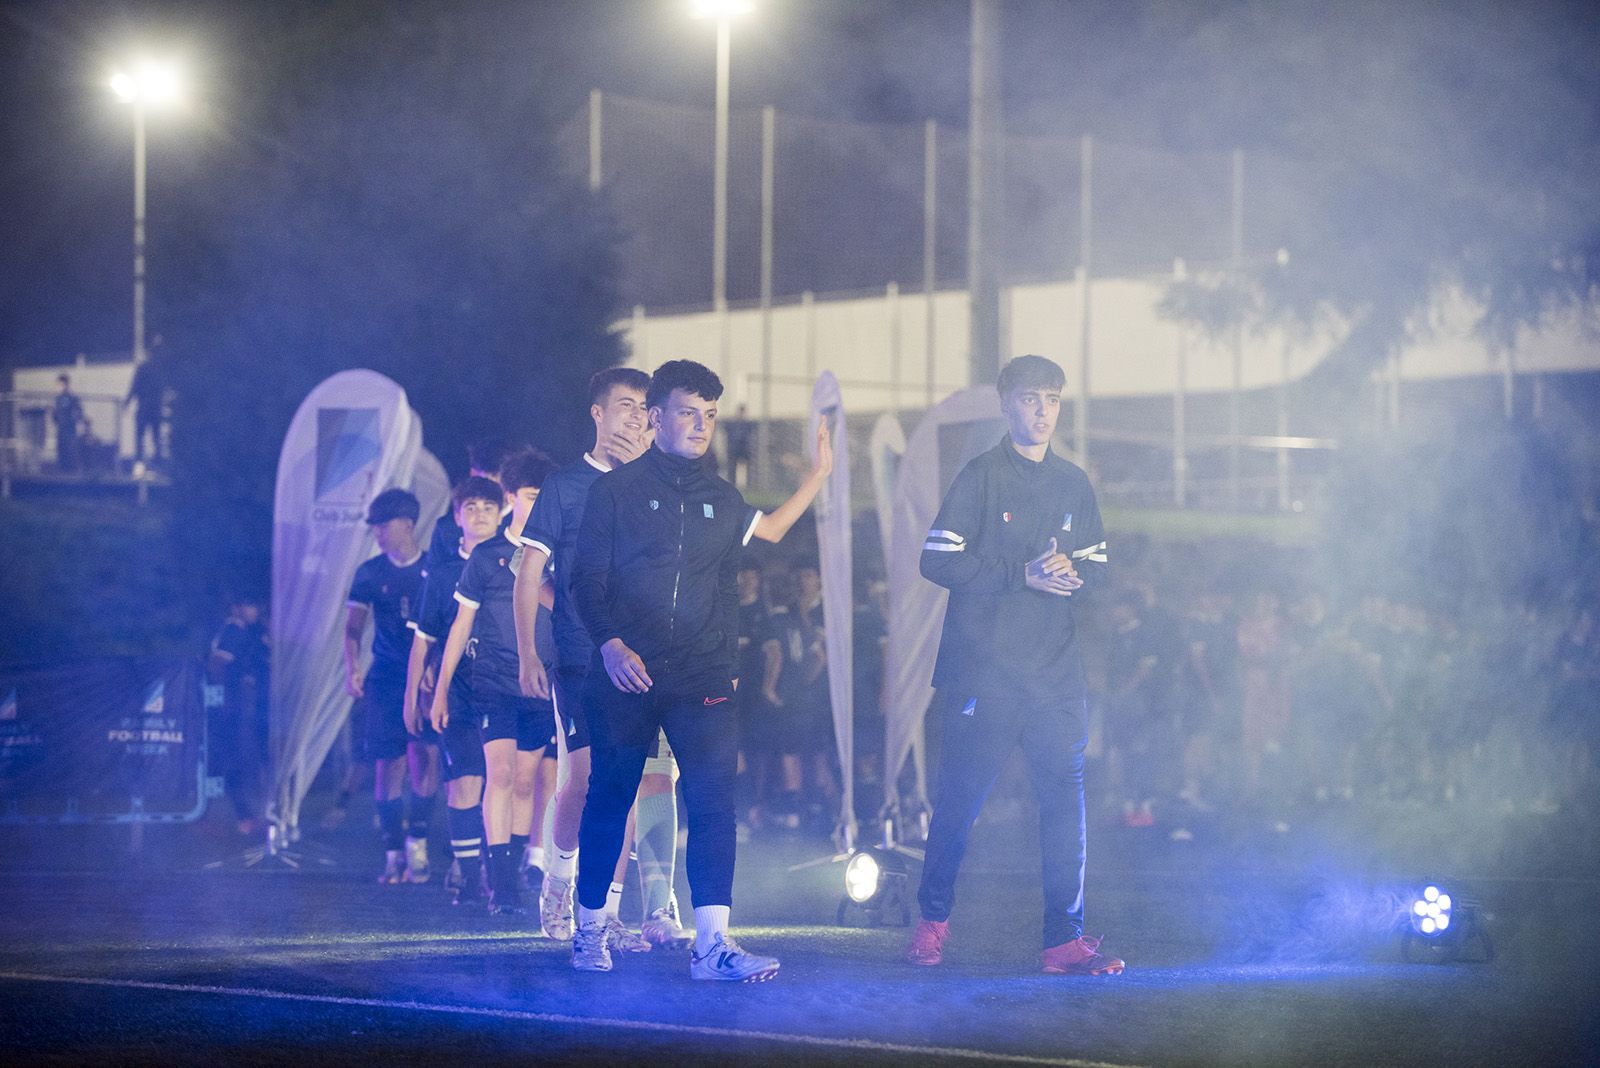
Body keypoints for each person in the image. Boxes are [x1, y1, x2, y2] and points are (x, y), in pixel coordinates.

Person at [567, 359, 832, 979]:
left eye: (710, 415)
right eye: (689, 412)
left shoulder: (720, 497)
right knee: (610, 794)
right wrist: (608, 644)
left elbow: (745, 563)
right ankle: (588, 930)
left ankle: (712, 947)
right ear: (656, 417)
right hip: (624, 673)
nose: (701, 425)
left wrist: (819, 475)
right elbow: (584, 581)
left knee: (715, 801)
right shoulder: (614, 492)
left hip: (701, 676)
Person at [906, 354, 1124, 977]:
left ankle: (1065, 942)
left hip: (1055, 678)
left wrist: (1073, 573)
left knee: (1065, 807)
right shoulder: (979, 476)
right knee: (960, 803)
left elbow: (1101, 567)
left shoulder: (1073, 482)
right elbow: (936, 559)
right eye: (1031, 399)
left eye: (1053, 399)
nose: (1043, 411)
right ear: (1005, 405)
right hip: (983, 676)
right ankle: (931, 924)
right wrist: (1019, 575)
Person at [511, 368, 664, 947]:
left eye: (643, 407)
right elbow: (530, 572)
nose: (634, 415)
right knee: (583, 779)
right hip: (578, 657)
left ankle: (607, 912)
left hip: (640, 663)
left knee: (621, 785)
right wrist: (529, 652)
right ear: (597, 414)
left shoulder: (654, 487)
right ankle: (559, 881)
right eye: (624, 405)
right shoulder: (564, 486)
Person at [430, 451, 560, 916]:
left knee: (527, 782)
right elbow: (460, 627)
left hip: (542, 688)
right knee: (500, 775)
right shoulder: (486, 557)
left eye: (546, 497)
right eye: (530, 497)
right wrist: (442, 688)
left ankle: (519, 870)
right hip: (493, 684)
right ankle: (501, 884)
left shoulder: (557, 554)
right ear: (511, 499)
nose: (539, 505)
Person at [405, 477, 501, 905]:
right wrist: (414, 698)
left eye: (488, 506)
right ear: (457, 517)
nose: (480, 514)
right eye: (471, 507)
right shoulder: (441, 574)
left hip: (506, 691)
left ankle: (501, 869)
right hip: (457, 692)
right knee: (464, 782)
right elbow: (423, 640)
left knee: (502, 784)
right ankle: (467, 869)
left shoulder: (517, 564)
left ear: (502, 515)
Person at [345, 488, 437, 884]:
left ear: (407, 525)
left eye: (383, 526)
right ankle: (392, 852)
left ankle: (418, 842)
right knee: (389, 763)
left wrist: (435, 670)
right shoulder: (369, 572)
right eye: (375, 527)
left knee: (426, 758)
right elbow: (353, 628)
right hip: (386, 678)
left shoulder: (435, 569)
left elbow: (448, 625)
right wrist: (352, 667)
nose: (378, 534)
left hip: (428, 681)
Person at [207, 595, 270, 834]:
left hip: (232, 705)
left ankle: (218, 815)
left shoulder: (244, 632)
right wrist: (224, 697)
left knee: (223, 759)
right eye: (250, 605)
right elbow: (217, 664)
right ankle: (242, 816)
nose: (255, 610)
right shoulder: (234, 630)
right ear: (237, 608)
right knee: (229, 757)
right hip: (228, 706)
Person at [425, 437, 519, 569]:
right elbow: (432, 581)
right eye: (482, 481)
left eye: (496, 484)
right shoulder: (448, 527)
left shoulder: (527, 524)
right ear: (472, 473)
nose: (488, 490)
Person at [125, 354, 165, 465]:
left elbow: (134, 386)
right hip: (156, 406)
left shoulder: (142, 367)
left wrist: (127, 402)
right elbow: (162, 388)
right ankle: (158, 461)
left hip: (143, 406)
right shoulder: (160, 368)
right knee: (156, 436)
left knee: (140, 435)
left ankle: (139, 461)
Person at [53, 374, 85, 474]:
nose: (61, 387)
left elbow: (79, 412)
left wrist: (73, 419)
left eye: (62, 385)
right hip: (61, 428)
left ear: (67, 385)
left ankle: (72, 472)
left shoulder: (72, 398)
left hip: (70, 429)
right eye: (59, 385)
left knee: (70, 450)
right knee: (61, 449)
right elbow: (55, 413)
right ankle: (62, 471)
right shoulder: (57, 399)